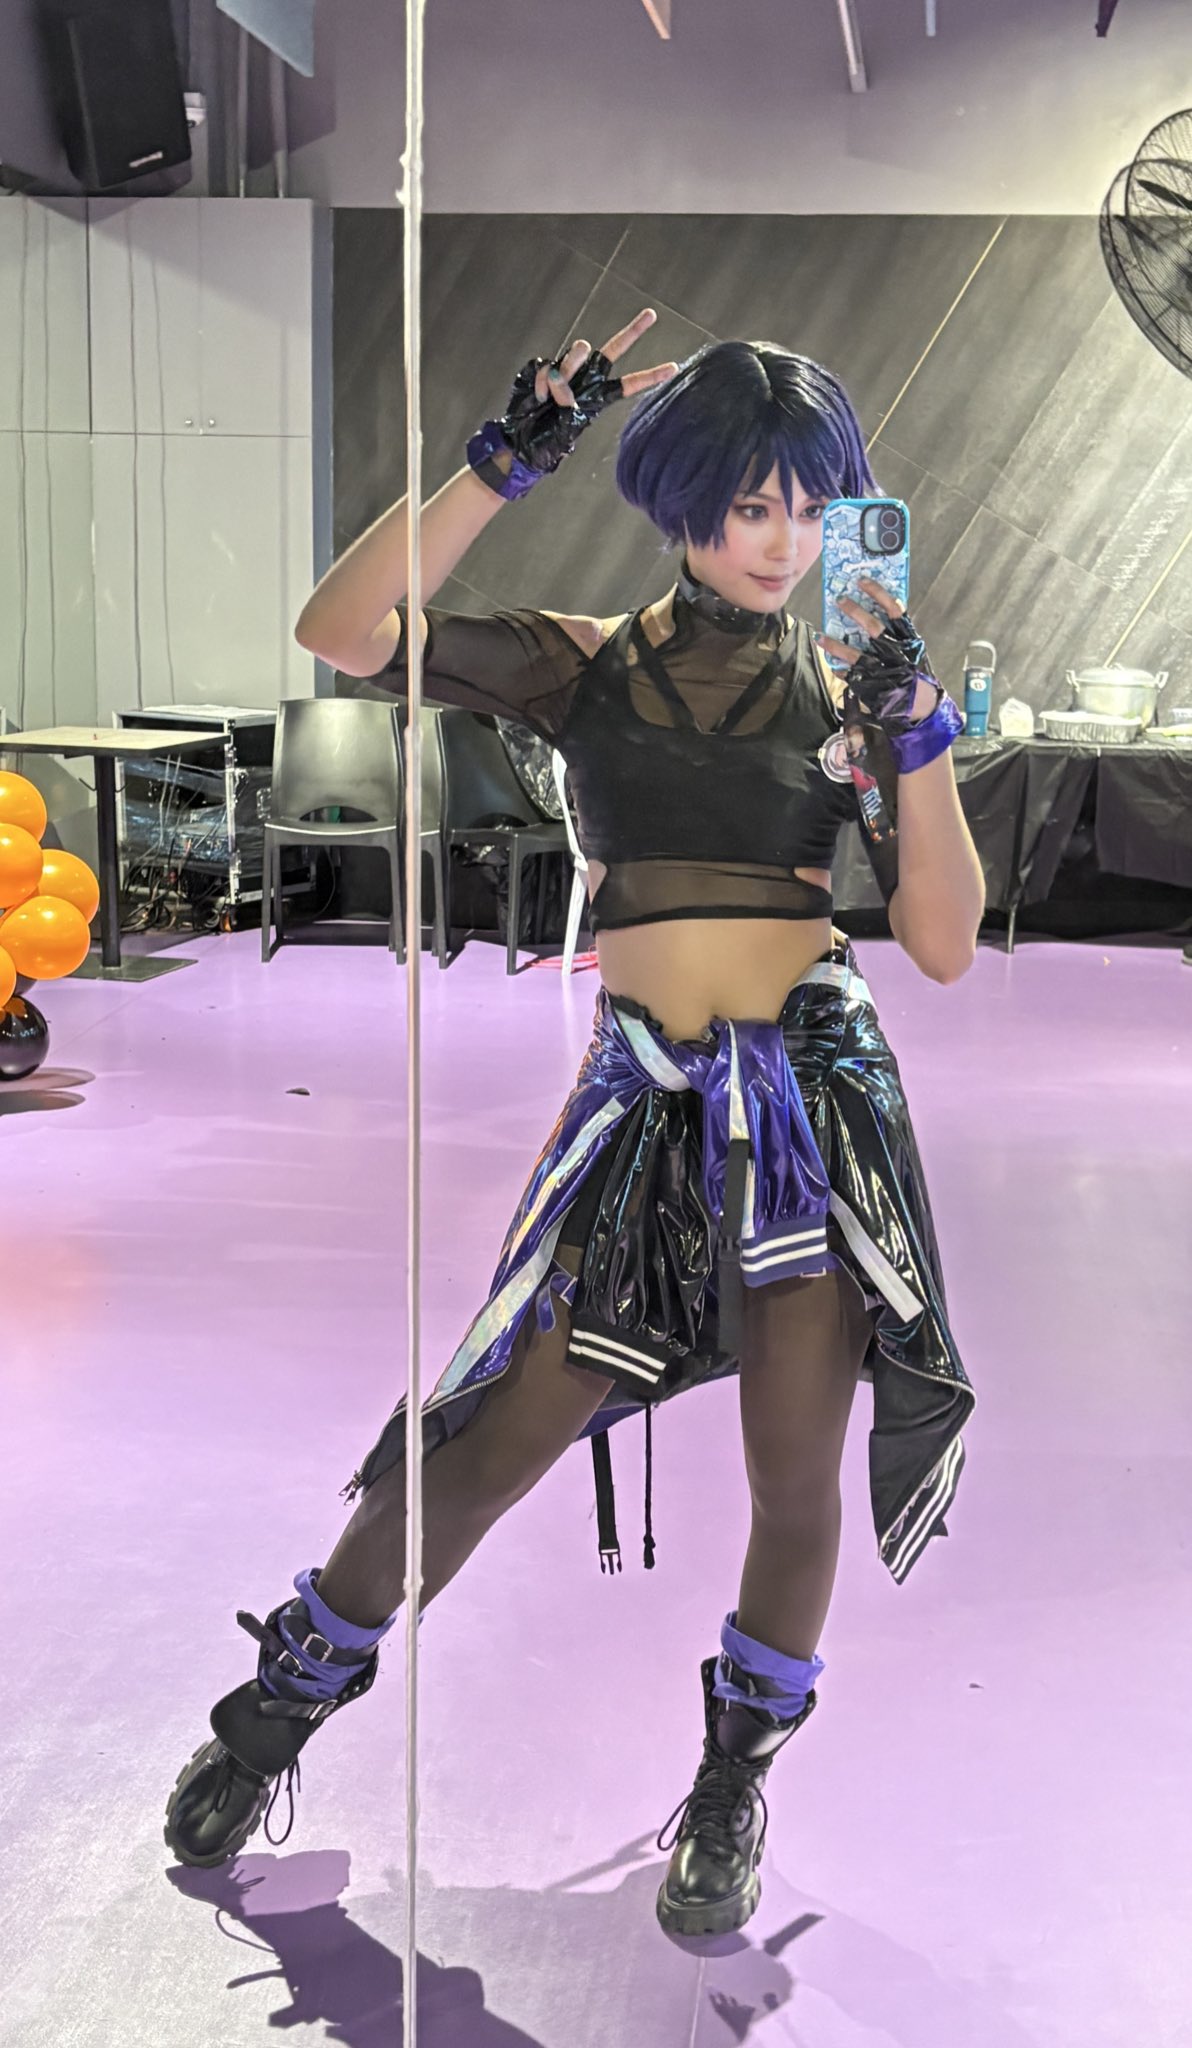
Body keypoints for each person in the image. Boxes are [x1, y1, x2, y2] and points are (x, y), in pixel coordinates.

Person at [165, 311, 984, 1939]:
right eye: (751, 505)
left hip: (813, 1112)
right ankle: (277, 1708)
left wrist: (919, 739)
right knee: (484, 1448)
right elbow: (343, 632)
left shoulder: (853, 688)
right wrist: (501, 464)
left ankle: (732, 1784)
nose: (784, 541)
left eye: (811, 508)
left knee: (795, 1476)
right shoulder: (584, 662)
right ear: (683, 503)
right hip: (643, 1108)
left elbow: (948, 942)